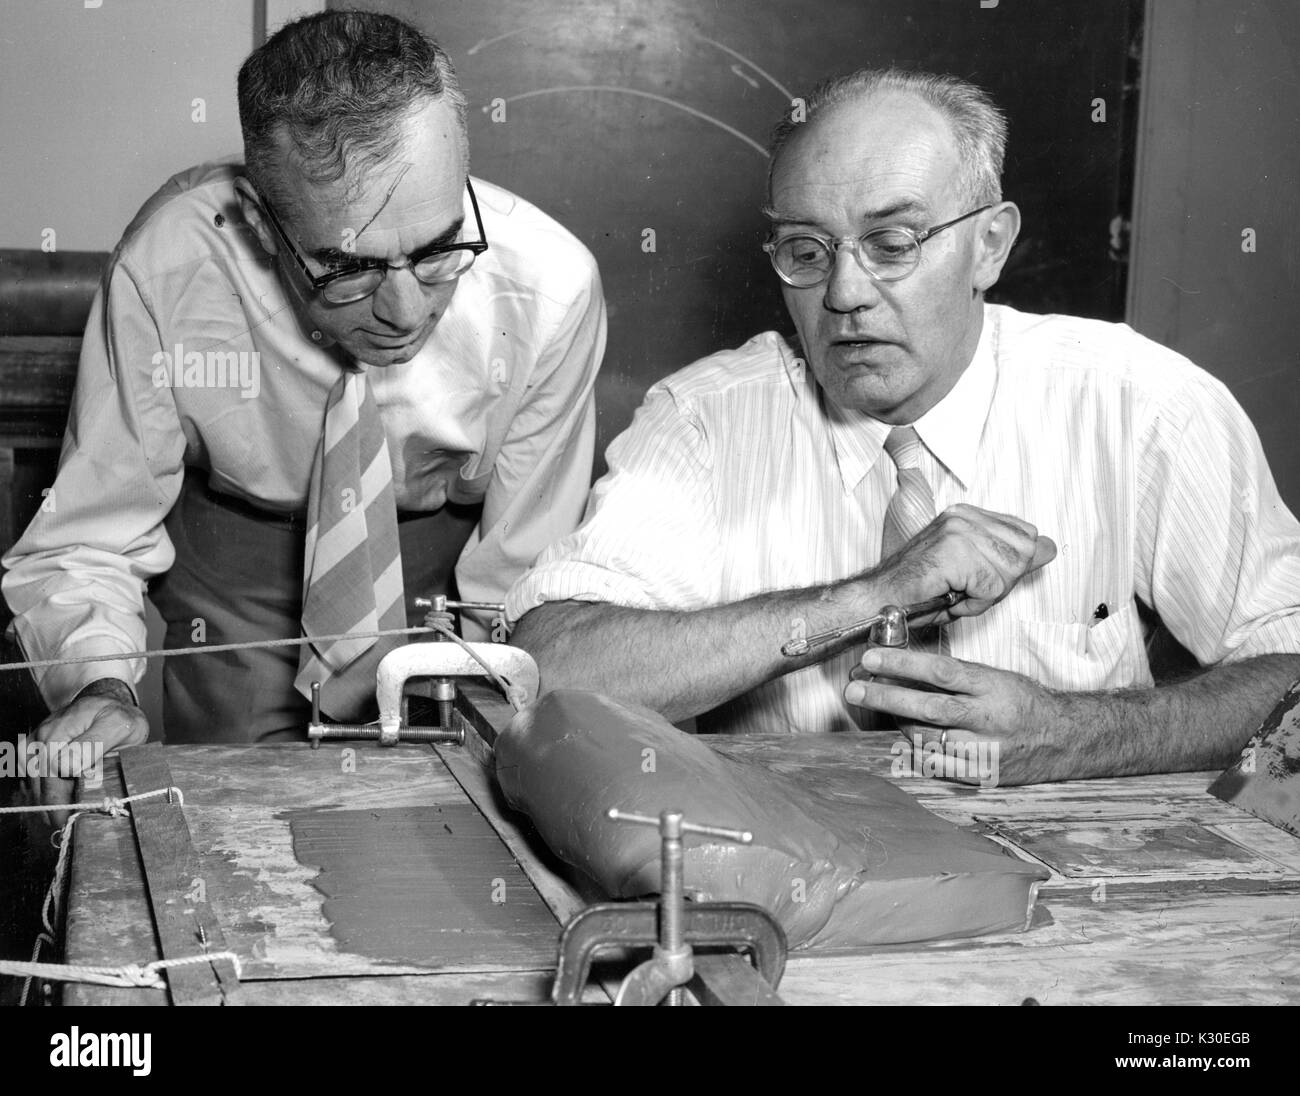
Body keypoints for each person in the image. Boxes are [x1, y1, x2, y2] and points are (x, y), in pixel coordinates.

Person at [505, 68, 1300, 786]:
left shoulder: (1141, 405)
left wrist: (1077, 734)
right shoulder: (703, 421)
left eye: (893, 243)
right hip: (793, 880)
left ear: (990, 245)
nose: (845, 292)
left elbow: (1295, 679)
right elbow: (551, 669)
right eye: (807, 250)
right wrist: (872, 596)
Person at [3, 12, 605, 803]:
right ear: (261, 222)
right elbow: (91, 538)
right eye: (347, 267)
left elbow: (519, 586)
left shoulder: (553, 289)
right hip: (237, 575)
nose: (401, 310)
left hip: (447, 582)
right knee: (232, 820)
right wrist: (100, 688)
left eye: (437, 249)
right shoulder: (168, 265)